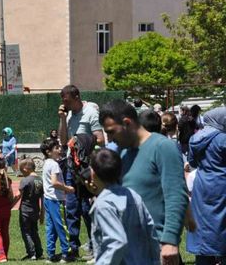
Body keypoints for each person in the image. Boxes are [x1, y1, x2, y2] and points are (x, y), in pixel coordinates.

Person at [99, 99, 187, 265]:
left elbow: (176, 195)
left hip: (156, 248)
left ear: (127, 123)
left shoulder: (162, 147)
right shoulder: (121, 153)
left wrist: (169, 240)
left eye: (111, 132)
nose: (109, 139)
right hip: (128, 249)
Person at [88, 149, 160, 265]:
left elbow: (117, 241)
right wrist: (156, 261)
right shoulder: (133, 195)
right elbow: (151, 232)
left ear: (93, 173)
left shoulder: (103, 205)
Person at [57, 85, 103, 260]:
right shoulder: (68, 115)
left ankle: (94, 247)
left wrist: (80, 141)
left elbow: (100, 139)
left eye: (66, 99)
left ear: (76, 97)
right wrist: (62, 119)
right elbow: (62, 141)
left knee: (87, 209)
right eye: (62, 99)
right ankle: (73, 249)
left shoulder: (91, 113)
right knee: (71, 208)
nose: (63, 102)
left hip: (87, 167)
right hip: (71, 167)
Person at [186, 107, 226, 265]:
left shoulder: (195, 138)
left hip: (202, 185)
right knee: (221, 225)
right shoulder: (223, 139)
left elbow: (193, 163)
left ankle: (203, 259)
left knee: (203, 224)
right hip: (222, 184)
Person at [40, 138, 75, 263]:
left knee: (51, 228)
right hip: (56, 200)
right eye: (56, 148)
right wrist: (68, 188)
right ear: (49, 152)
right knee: (62, 226)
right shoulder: (54, 164)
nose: (60, 149)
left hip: (48, 199)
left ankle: (51, 254)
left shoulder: (46, 163)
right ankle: (67, 252)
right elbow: (55, 182)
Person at [18, 158, 44, 261]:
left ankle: (31, 253)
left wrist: (10, 205)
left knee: (26, 231)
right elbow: (43, 197)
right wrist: (42, 213)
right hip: (35, 210)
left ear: (25, 169)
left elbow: (18, 195)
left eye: (21, 170)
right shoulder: (40, 179)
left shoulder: (25, 180)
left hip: (25, 210)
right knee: (34, 231)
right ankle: (39, 252)